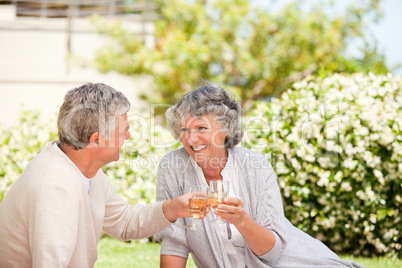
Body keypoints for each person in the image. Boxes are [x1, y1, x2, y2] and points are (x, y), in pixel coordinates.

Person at [155, 82, 364, 268]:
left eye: (201, 127)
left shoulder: (255, 166)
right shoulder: (173, 166)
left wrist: (242, 220)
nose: (191, 139)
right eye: (184, 129)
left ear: (226, 128)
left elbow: (272, 253)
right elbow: (175, 241)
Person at [0, 83, 192, 267]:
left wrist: (172, 208)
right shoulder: (54, 187)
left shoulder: (85, 169)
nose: (128, 136)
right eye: (123, 131)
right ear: (97, 139)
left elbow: (124, 222)